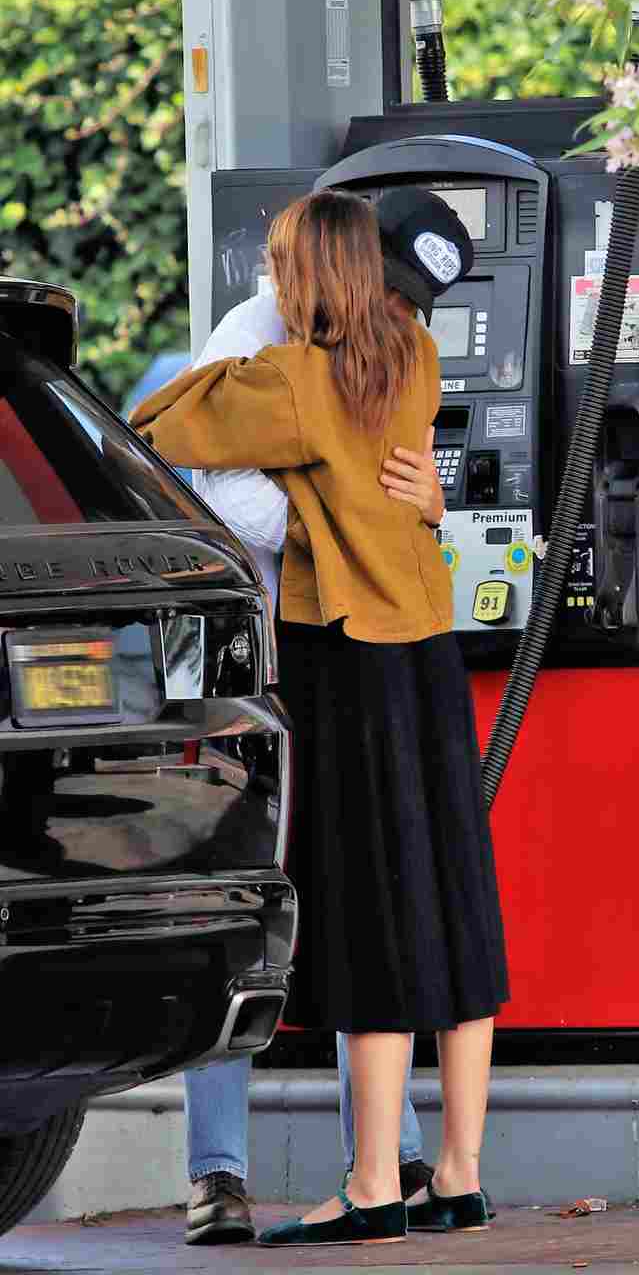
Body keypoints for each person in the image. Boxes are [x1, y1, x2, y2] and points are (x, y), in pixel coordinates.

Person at [132, 186, 509, 1249]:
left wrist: (314, 496)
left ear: (308, 273)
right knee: (453, 890)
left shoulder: (291, 376)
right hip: (429, 644)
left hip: (341, 650)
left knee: (367, 909)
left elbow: (161, 419)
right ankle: (460, 1171)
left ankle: (372, 1182)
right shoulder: (418, 354)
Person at [179, 278, 444, 1244]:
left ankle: (394, 1153)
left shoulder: (375, 342)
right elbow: (222, 484)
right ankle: (218, 1173)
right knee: (244, 905)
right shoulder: (251, 343)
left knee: (354, 894)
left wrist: (423, 501)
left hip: (343, 661)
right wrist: (330, 520)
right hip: (253, 665)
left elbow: (404, 488)